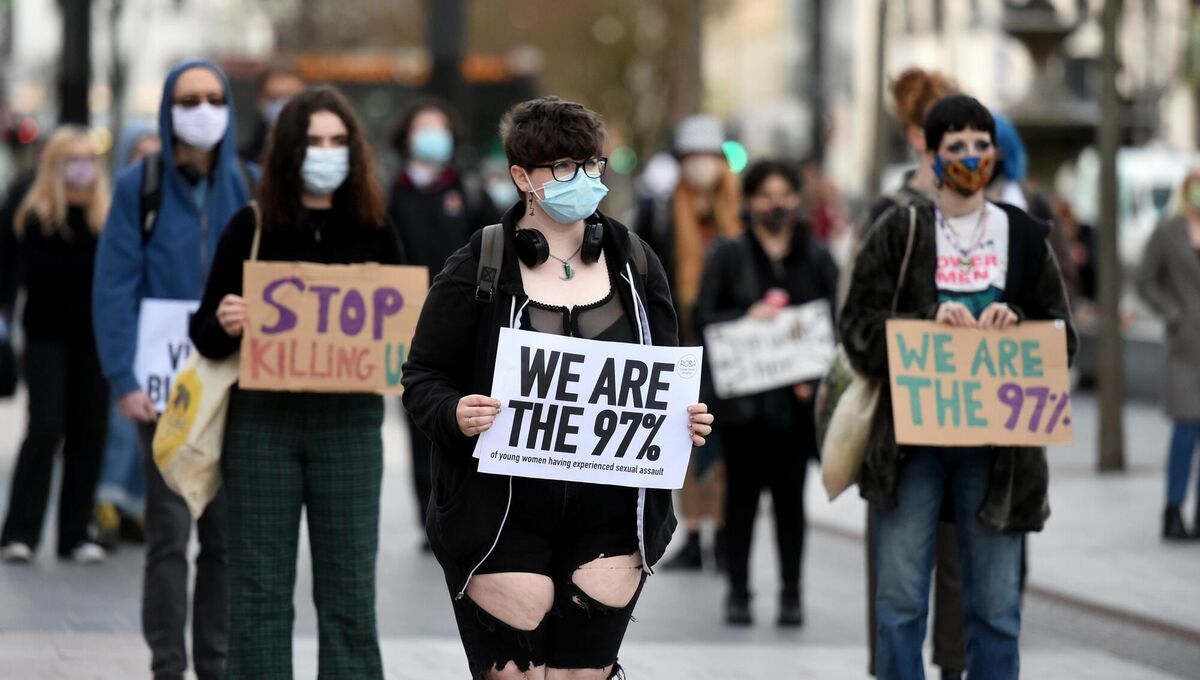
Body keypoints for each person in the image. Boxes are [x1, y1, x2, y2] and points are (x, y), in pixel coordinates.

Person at [402, 96, 714, 679]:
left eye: (592, 166)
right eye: (565, 169)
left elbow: (667, 375)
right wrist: (454, 412)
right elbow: (422, 377)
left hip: (612, 515)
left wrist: (688, 418)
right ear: (523, 178)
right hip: (502, 514)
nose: (585, 180)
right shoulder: (481, 264)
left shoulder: (636, 263)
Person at [841, 94, 1075, 680]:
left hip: (1000, 459)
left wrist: (1018, 322)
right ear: (933, 153)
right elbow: (857, 326)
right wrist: (921, 326)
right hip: (909, 449)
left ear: (995, 153)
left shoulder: (1024, 236)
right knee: (899, 604)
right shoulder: (901, 230)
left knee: (996, 610)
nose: (971, 156)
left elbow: (1063, 338)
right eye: (957, 146)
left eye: (981, 144)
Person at [190, 85, 402, 679]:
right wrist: (226, 320)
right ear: (289, 150)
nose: (326, 152)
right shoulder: (250, 225)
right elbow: (204, 332)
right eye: (313, 141)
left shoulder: (376, 227)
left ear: (355, 150)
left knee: (351, 595)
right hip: (262, 427)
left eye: (338, 141)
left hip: (351, 429)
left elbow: (407, 332)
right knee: (256, 594)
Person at [93, 59, 254, 680]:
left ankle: (212, 664)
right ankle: (168, 665)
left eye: (215, 97)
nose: (204, 108)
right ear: (168, 107)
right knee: (166, 536)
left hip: (236, 386)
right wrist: (123, 379)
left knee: (222, 539)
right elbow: (114, 285)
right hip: (164, 393)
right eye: (190, 98)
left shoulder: (251, 183)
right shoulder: (142, 185)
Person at [854, 67, 969, 680]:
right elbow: (859, 314)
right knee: (901, 572)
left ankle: (951, 668)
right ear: (919, 138)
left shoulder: (995, 212)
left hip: (973, 413)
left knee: (958, 563)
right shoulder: (890, 213)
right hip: (902, 414)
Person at [696, 160, 837, 627]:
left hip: (795, 411)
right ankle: (738, 591)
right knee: (740, 501)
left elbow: (833, 325)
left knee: (792, 504)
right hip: (744, 409)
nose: (776, 204)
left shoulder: (817, 257)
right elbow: (704, 319)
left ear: (798, 200)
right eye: (765, 195)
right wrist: (744, 317)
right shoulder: (729, 255)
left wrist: (813, 377)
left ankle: (791, 594)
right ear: (749, 202)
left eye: (785, 194)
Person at [386, 97, 498, 542]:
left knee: (469, 415)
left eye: (440, 126)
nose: (433, 135)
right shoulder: (389, 192)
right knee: (421, 418)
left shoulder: (467, 189)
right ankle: (429, 516)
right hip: (408, 323)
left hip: (465, 321)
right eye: (423, 127)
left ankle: (465, 507)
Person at [0, 127, 110, 564]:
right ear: (55, 163)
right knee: (45, 428)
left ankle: (74, 532)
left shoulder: (107, 216)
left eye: (88, 158)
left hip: (96, 339)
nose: (82, 166)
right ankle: (20, 531)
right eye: (72, 158)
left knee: (90, 432)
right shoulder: (31, 214)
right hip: (45, 337)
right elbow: (9, 276)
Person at [636, 113, 742, 571]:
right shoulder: (660, 209)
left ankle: (723, 532)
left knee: (725, 445)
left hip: (733, 343)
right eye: (693, 157)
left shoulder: (740, 212)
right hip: (679, 342)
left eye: (709, 156)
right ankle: (694, 532)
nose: (701, 165)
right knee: (685, 438)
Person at [93, 120, 162, 550]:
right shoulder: (120, 204)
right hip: (128, 332)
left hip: (162, 336)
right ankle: (107, 503)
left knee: (152, 423)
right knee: (120, 428)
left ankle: (135, 505)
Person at [1136, 169, 1200, 541]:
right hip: (1185, 346)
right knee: (1185, 430)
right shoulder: (1168, 231)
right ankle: (1173, 509)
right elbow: (1145, 280)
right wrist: (1173, 313)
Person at [239, 57, 305, 165]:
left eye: (289, 98)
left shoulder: (318, 160)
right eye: (274, 98)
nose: (282, 107)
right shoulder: (242, 167)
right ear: (259, 101)